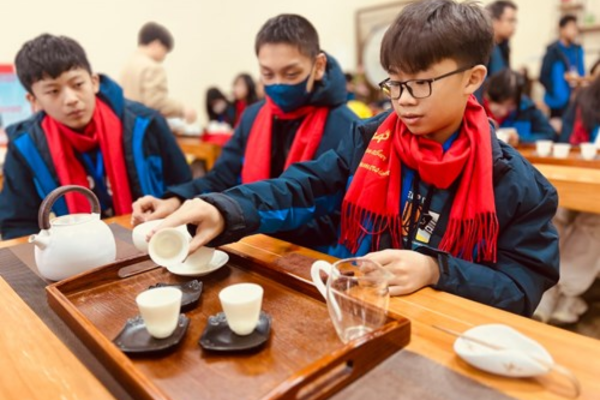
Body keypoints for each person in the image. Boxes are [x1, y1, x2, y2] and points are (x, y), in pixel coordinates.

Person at [151, 0, 559, 316]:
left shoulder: (517, 184)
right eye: (395, 83)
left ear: (472, 78)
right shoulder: (371, 139)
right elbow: (305, 184)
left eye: (420, 84)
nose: (403, 102)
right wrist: (225, 209)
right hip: (365, 317)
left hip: (449, 337)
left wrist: (437, 271)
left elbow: (522, 289)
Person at [132, 14, 360, 250]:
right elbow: (222, 177)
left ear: (318, 66)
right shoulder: (253, 116)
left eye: (291, 74)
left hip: (308, 254)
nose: (279, 84)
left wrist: (253, 220)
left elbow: (338, 216)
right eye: (268, 74)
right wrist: (176, 200)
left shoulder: (346, 126)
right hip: (248, 244)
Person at [0, 34, 192, 240]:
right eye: (53, 91)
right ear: (34, 100)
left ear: (94, 82)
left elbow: (185, 188)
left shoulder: (147, 123)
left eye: (77, 85)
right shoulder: (24, 146)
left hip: (150, 242)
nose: (71, 99)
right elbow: (17, 225)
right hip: (74, 256)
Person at [534, 62, 600, 324]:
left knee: (593, 220)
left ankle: (564, 291)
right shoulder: (585, 100)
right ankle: (547, 289)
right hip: (578, 173)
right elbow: (567, 141)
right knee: (556, 211)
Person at [120, 22, 197, 123]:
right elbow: (156, 103)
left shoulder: (128, 65)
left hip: (127, 126)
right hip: (144, 129)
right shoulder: (153, 68)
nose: (164, 57)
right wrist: (182, 109)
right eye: (165, 51)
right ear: (156, 44)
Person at [484, 69, 556, 145]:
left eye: (510, 106)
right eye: (499, 105)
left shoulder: (526, 107)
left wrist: (520, 139)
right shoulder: (477, 108)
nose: (504, 112)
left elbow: (549, 135)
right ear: (488, 96)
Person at [540, 14, 585, 119]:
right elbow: (543, 76)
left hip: (575, 99)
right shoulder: (552, 51)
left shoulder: (578, 50)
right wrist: (555, 93)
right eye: (571, 27)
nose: (574, 31)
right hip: (557, 102)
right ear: (561, 29)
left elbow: (582, 73)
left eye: (575, 28)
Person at [485, 1, 518, 76]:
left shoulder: (503, 45)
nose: (514, 26)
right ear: (494, 21)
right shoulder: (480, 47)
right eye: (510, 20)